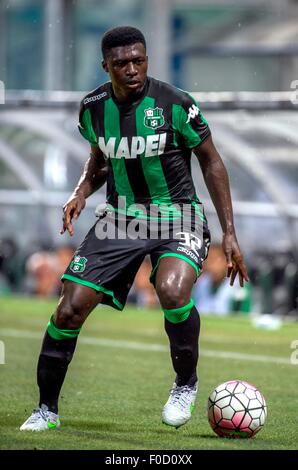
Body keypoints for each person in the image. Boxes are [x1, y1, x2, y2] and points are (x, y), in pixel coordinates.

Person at [20, 26, 249, 431]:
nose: (132, 69)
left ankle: (185, 383)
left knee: (173, 290)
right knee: (69, 307)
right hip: (121, 217)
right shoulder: (92, 108)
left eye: (138, 60)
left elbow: (212, 161)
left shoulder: (176, 103)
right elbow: (100, 160)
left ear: (146, 59)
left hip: (178, 215)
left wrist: (229, 232)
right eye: (121, 63)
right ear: (105, 66)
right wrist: (79, 192)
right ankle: (46, 411)